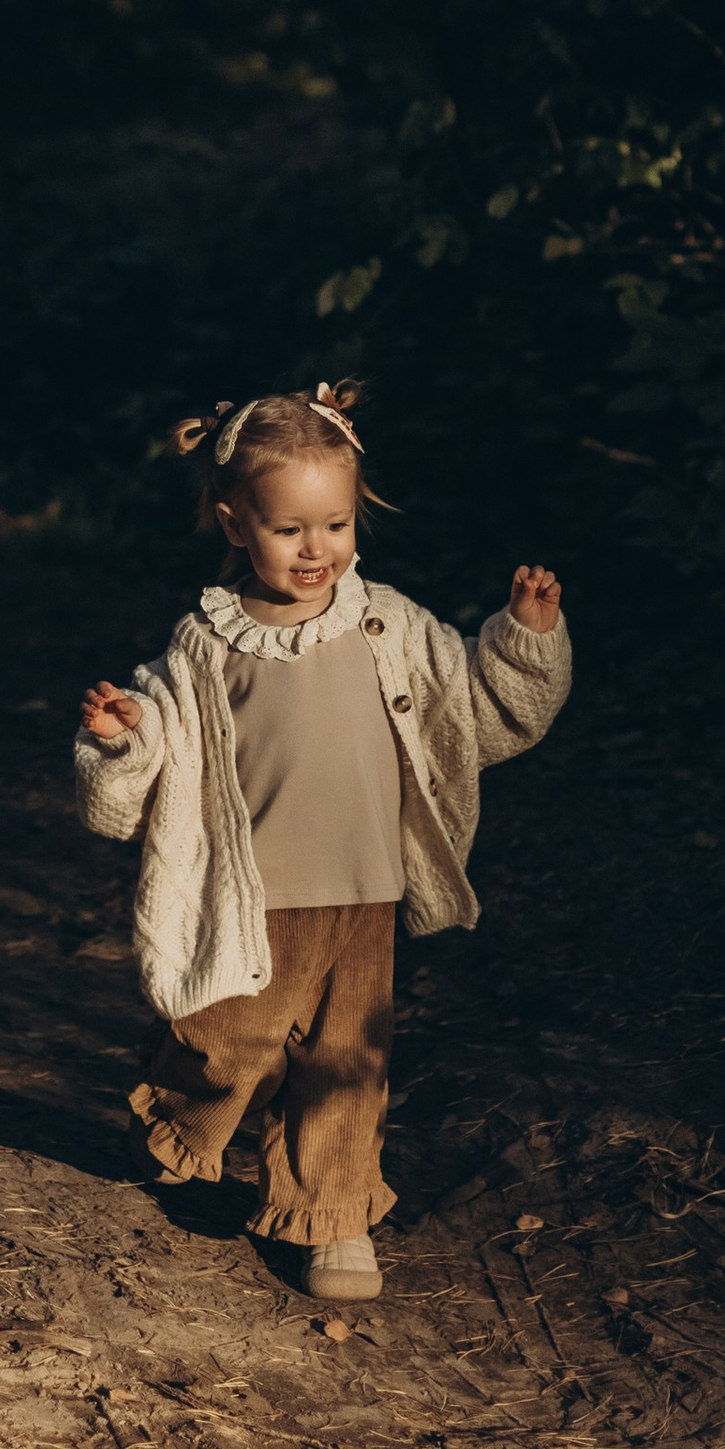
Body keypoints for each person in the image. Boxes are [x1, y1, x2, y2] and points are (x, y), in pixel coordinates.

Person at [74, 379, 570, 1304]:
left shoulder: (389, 624)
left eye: (335, 526)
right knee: (229, 1041)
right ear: (234, 524)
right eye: (290, 530)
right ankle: (186, 1116)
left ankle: (332, 1219)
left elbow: (474, 713)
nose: (316, 551)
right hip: (251, 897)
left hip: (362, 890)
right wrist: (123, 737)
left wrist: (521, 643)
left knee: (347, 1064)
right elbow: (150, 770)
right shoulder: (205, 645)